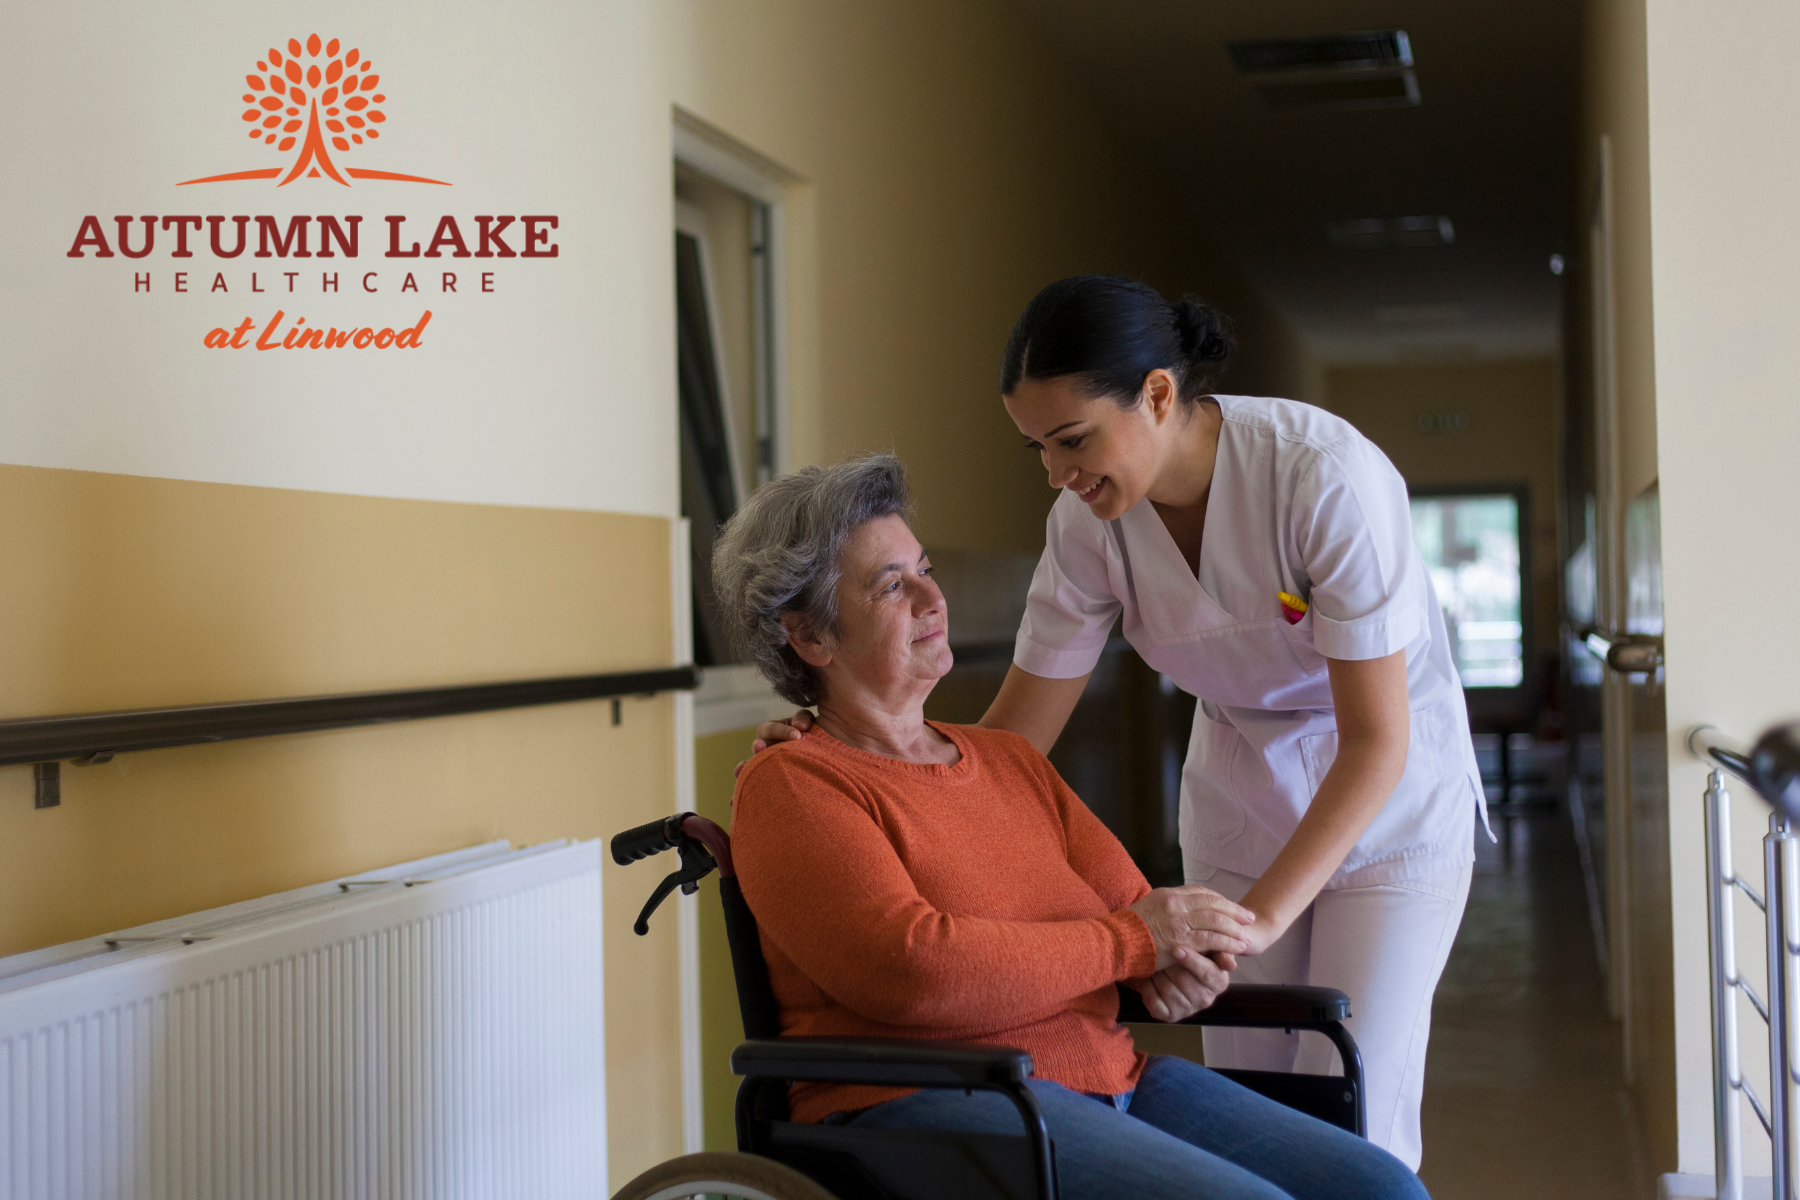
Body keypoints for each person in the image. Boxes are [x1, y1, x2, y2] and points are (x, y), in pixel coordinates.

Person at [748, 277, 1486, 1170]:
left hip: (1384, 796)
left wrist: (1253, 922)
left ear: (1160, 394)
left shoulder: (1322, 477)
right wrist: (860, 754)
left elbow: (1375, 738)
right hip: (1242, 783)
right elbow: (1013, 745)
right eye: (1037, 450)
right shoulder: (1086, 523)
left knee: (1360, 1104)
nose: (1059, 475)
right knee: (1258, 1096)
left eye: (1073, 440)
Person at [714, 452, 1428, 1200]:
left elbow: (1147, 918)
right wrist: (1133, 944)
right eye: (892, 585)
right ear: (811, 638)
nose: (932, 597)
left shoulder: (1008, 761)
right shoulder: (796, 784)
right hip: (931, 1101)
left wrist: (1174, 960)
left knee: (1381, 1190)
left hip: (1107, 1076)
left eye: (925, 569)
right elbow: (916, 970)